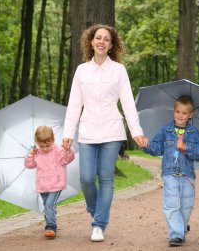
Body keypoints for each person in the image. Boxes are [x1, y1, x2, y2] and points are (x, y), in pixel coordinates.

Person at [62, 24, 147, 242]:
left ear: (111, 45)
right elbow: (74, 104)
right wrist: (68, 132)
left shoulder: (119, 70)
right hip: (88, 130)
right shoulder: (82, 70)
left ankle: (99, 224)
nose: (101, 42)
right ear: (91, 42)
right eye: (98, 38)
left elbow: (128, 103)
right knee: (87, 179)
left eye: (106, 39)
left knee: (106, 178)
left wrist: (136, 131)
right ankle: (95, 208)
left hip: (112, 130)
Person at [142, 95, 199, 247]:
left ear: (190, 115)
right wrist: (146, 145)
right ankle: (176, 234)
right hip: (170, 174)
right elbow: (157, 148)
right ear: (173, 111)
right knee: (171, 204)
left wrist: (186, 147)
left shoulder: (194, 133)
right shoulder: (166, 130)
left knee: (187, 205)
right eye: (178, 111)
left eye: (184, 113)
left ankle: (182, 226)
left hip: (187, 175)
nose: (180, 115)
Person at [24, 125, 75, 238]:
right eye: (42, 146)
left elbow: (67, 160)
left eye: (48, 145)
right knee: (48, 205)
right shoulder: (36, 153)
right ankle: (50, 215)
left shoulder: (58, 151)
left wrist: (67, 151)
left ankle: (51, 226)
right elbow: (29, 165)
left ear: (52, 140)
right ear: (37, 142)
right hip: (42, 186)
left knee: (48, 205)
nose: (45, 148)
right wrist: (30, 155)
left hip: (56, 184)